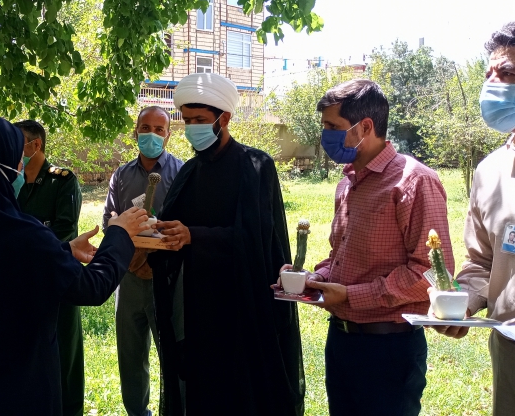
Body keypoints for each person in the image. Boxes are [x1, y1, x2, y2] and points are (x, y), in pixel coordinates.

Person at [0, 115, 148, 416]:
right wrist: (119, 233)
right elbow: (91, 288)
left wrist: (63, 249)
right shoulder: (22, 234)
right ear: (1, 166)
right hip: (11, 388)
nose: (20, 169)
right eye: (17, 160)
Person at [290, 79, 454, 416]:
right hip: (341, 340)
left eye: (332, 127)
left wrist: (351, 296)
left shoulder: (414, 181)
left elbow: (431, 272)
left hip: (389, 348)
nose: (325, 136)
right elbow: (340, 256)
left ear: (365, 127)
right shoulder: (347, 182)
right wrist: (313, 278)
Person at [147, 73, 305, 416]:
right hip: (199, 305)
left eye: (200, 120)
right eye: (187, 120)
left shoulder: (255, 166)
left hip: (245, 304)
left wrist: (194, 235)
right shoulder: (190, 172)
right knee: (205, 390)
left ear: (225, 118)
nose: (192, 128)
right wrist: (151, 233)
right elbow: (171, 229)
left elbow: (257, 240)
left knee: (244, 392)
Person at [431, 22, 515, 416]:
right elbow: (481, 262)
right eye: (489, 74)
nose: (493, 83)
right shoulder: (489, 171)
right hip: (509, 346)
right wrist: (462, 303)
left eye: (507, 72)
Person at [103, 106, 183, 416]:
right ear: (135, 132)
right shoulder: (121, 175)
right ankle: (137, 412)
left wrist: (154, 259)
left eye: (158, 129)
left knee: (173, 355)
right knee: (131, 356)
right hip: (129, 278)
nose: (151, 134)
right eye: (145, 128)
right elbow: (110, 221)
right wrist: (132, 259)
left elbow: (187, 225)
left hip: (167, 278)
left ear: (168, 135)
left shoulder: (182, 172)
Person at [12, 119, 85, 416]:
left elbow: (65, 230)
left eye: (17, 144)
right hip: (20, 282)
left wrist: (27, 251)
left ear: (36, 145)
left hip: (56, 278)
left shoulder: (62, 180)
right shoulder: (10, 182)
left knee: (64, 353)